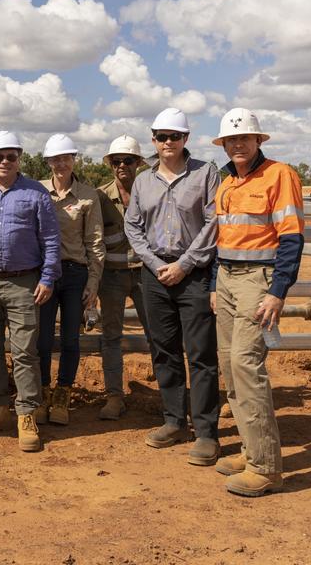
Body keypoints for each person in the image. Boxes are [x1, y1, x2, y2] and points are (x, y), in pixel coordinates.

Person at [210, 108, 304, 497]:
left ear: (258, 141)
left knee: (246, 366)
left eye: (244, 139)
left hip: (258, 282)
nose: (238, 145)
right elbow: (224, 234)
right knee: (229, 366)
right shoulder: (226, 180)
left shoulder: (280, 176)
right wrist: (216, 281)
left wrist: (277, 291)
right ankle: (252, 451)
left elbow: (292, 238)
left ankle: (266, 467)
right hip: (227, 279)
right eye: (231, 140)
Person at [125, 107, 221, 466]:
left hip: (193, 274)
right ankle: (173, 421)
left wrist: (183, 265)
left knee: (200, 354)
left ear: (186, 139)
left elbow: (213, 224)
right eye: (162, 136)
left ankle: (207, 432)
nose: (168, 142)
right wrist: (156, 264)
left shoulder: (206, 174)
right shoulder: (143, 181)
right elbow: (133, 226)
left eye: (175, 136)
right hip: (155, 276)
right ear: (153, 139)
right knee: (163, 350)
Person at [0, 131, 60, 451]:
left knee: (24, 351)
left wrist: (47, 277)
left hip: (24, 281)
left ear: (19, 157)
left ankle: (26, 413)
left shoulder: (35, 192)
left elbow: (50, 238)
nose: (4, 161)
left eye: (11, 156)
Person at [35, 134, 105, 426]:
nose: (61, 163)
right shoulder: (36, 191)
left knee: (70, 339)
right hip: (45, 275)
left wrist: (93, 282)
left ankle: (63, 395)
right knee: (40, 339)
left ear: (73, 160)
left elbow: (96, 242)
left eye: (66, 158)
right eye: (56, 158)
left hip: (75, 274)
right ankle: (41, 394)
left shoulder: (88, 196)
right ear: (48, 162)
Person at [96, 135, 150, 420]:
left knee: (160, 335)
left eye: (128, 160)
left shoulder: (152, 191)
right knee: (112, 337)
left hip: (147, 276)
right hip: (112, 278)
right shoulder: (100, 197)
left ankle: (170, 396)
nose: (121, 166)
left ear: (138, 163)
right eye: (116, 161)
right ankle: (114, 397)